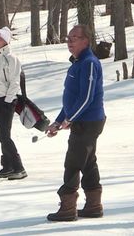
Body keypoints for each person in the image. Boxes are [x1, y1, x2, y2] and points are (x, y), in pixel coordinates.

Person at [46, 25, 106, 222]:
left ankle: (67, 208)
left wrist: (70, 120)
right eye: (68, 37)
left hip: (88, 122)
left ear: (86, 41)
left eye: (75, 37)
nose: (70, 41)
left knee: (73, 162)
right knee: (88, 162)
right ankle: (93, 205)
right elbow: (71, 100)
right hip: (82, 121)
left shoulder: (89, 62)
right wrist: (58, 121)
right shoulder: (77, 63)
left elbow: (87, 97)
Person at [0, 27, 27, 180]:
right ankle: (7, 165)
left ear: (5, 40)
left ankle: (19, 167)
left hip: (7, 100)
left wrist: (8, 100)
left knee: (5, 136)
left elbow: (14, 82)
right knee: (2, 135)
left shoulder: (11, 58)